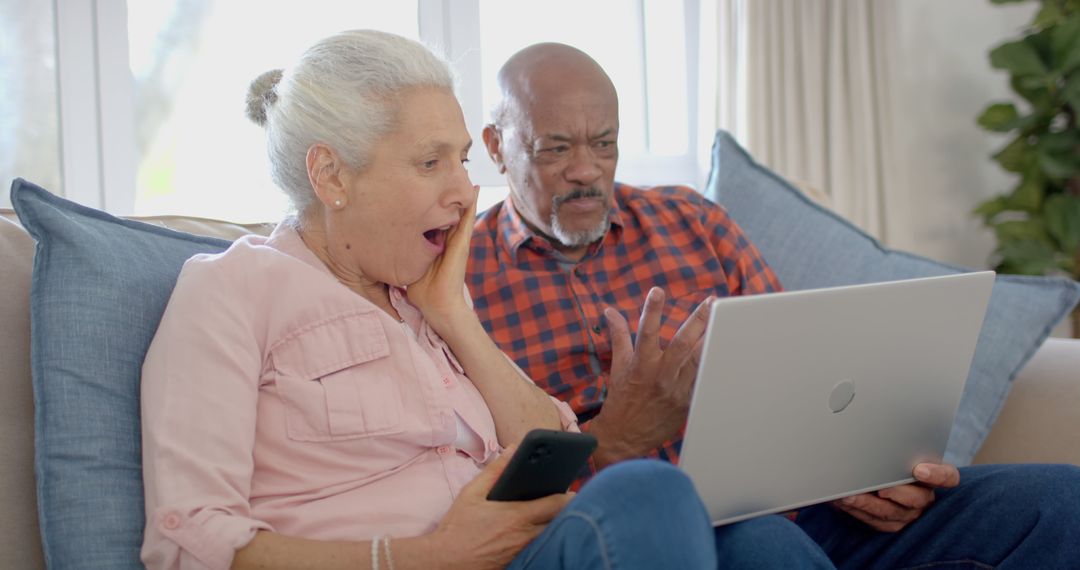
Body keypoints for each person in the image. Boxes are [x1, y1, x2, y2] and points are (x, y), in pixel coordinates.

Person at [467, 42, 1080, 568]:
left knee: (1060, 501)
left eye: (604, 143)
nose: (586, 170)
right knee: (764, 546)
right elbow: (476, 488)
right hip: (672, 536)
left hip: (808, 506)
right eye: (555, 149)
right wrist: (607, 438)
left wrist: (867, 470)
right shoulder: (460, 283)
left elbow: (810, 373)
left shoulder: (691, 221)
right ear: (497, 146)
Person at [139, 30, 722, 570]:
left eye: (463, 160)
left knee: (729, 526)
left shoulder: (428, 292)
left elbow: (556, 450)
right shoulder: (230, 291)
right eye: (429, 163)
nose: (464, 192)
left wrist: (453, 317)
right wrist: (425, 556)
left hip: (521, 555)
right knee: (650, 493)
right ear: (332, 176)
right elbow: (188, 538)